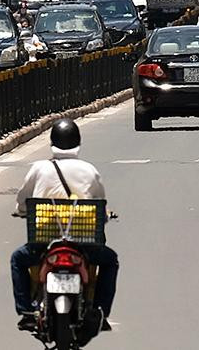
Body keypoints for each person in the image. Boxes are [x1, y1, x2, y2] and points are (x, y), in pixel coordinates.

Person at [11, 118, 118, 333]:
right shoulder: (89, 170)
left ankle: (26, 312)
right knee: (109, 261)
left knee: (18, 259)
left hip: (43, 242)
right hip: (84, 242)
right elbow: (100, 202)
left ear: (51, 142)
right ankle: (100, 312)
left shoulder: (39, 168)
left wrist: (22, 210)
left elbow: (23, 202)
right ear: (78, 142)